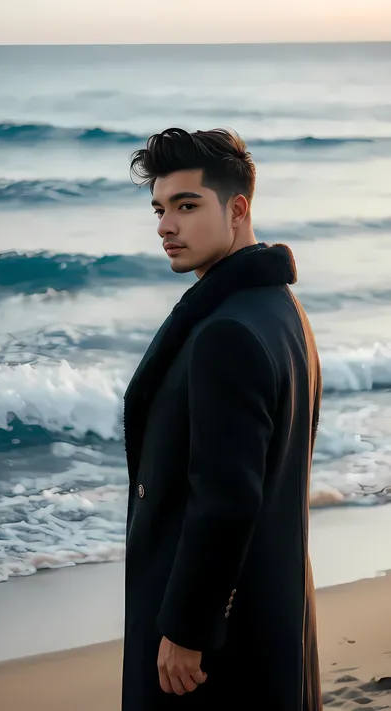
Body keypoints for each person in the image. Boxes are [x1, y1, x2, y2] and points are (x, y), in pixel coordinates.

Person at [121, 127, 323, 710]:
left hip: (217, 646)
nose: (165, 226)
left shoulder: (227, 333)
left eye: (187, 206)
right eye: (160, 209)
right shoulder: (282, 311)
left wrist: (187, 629)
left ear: (238, 209)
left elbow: (227, 497)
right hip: (270, 603)